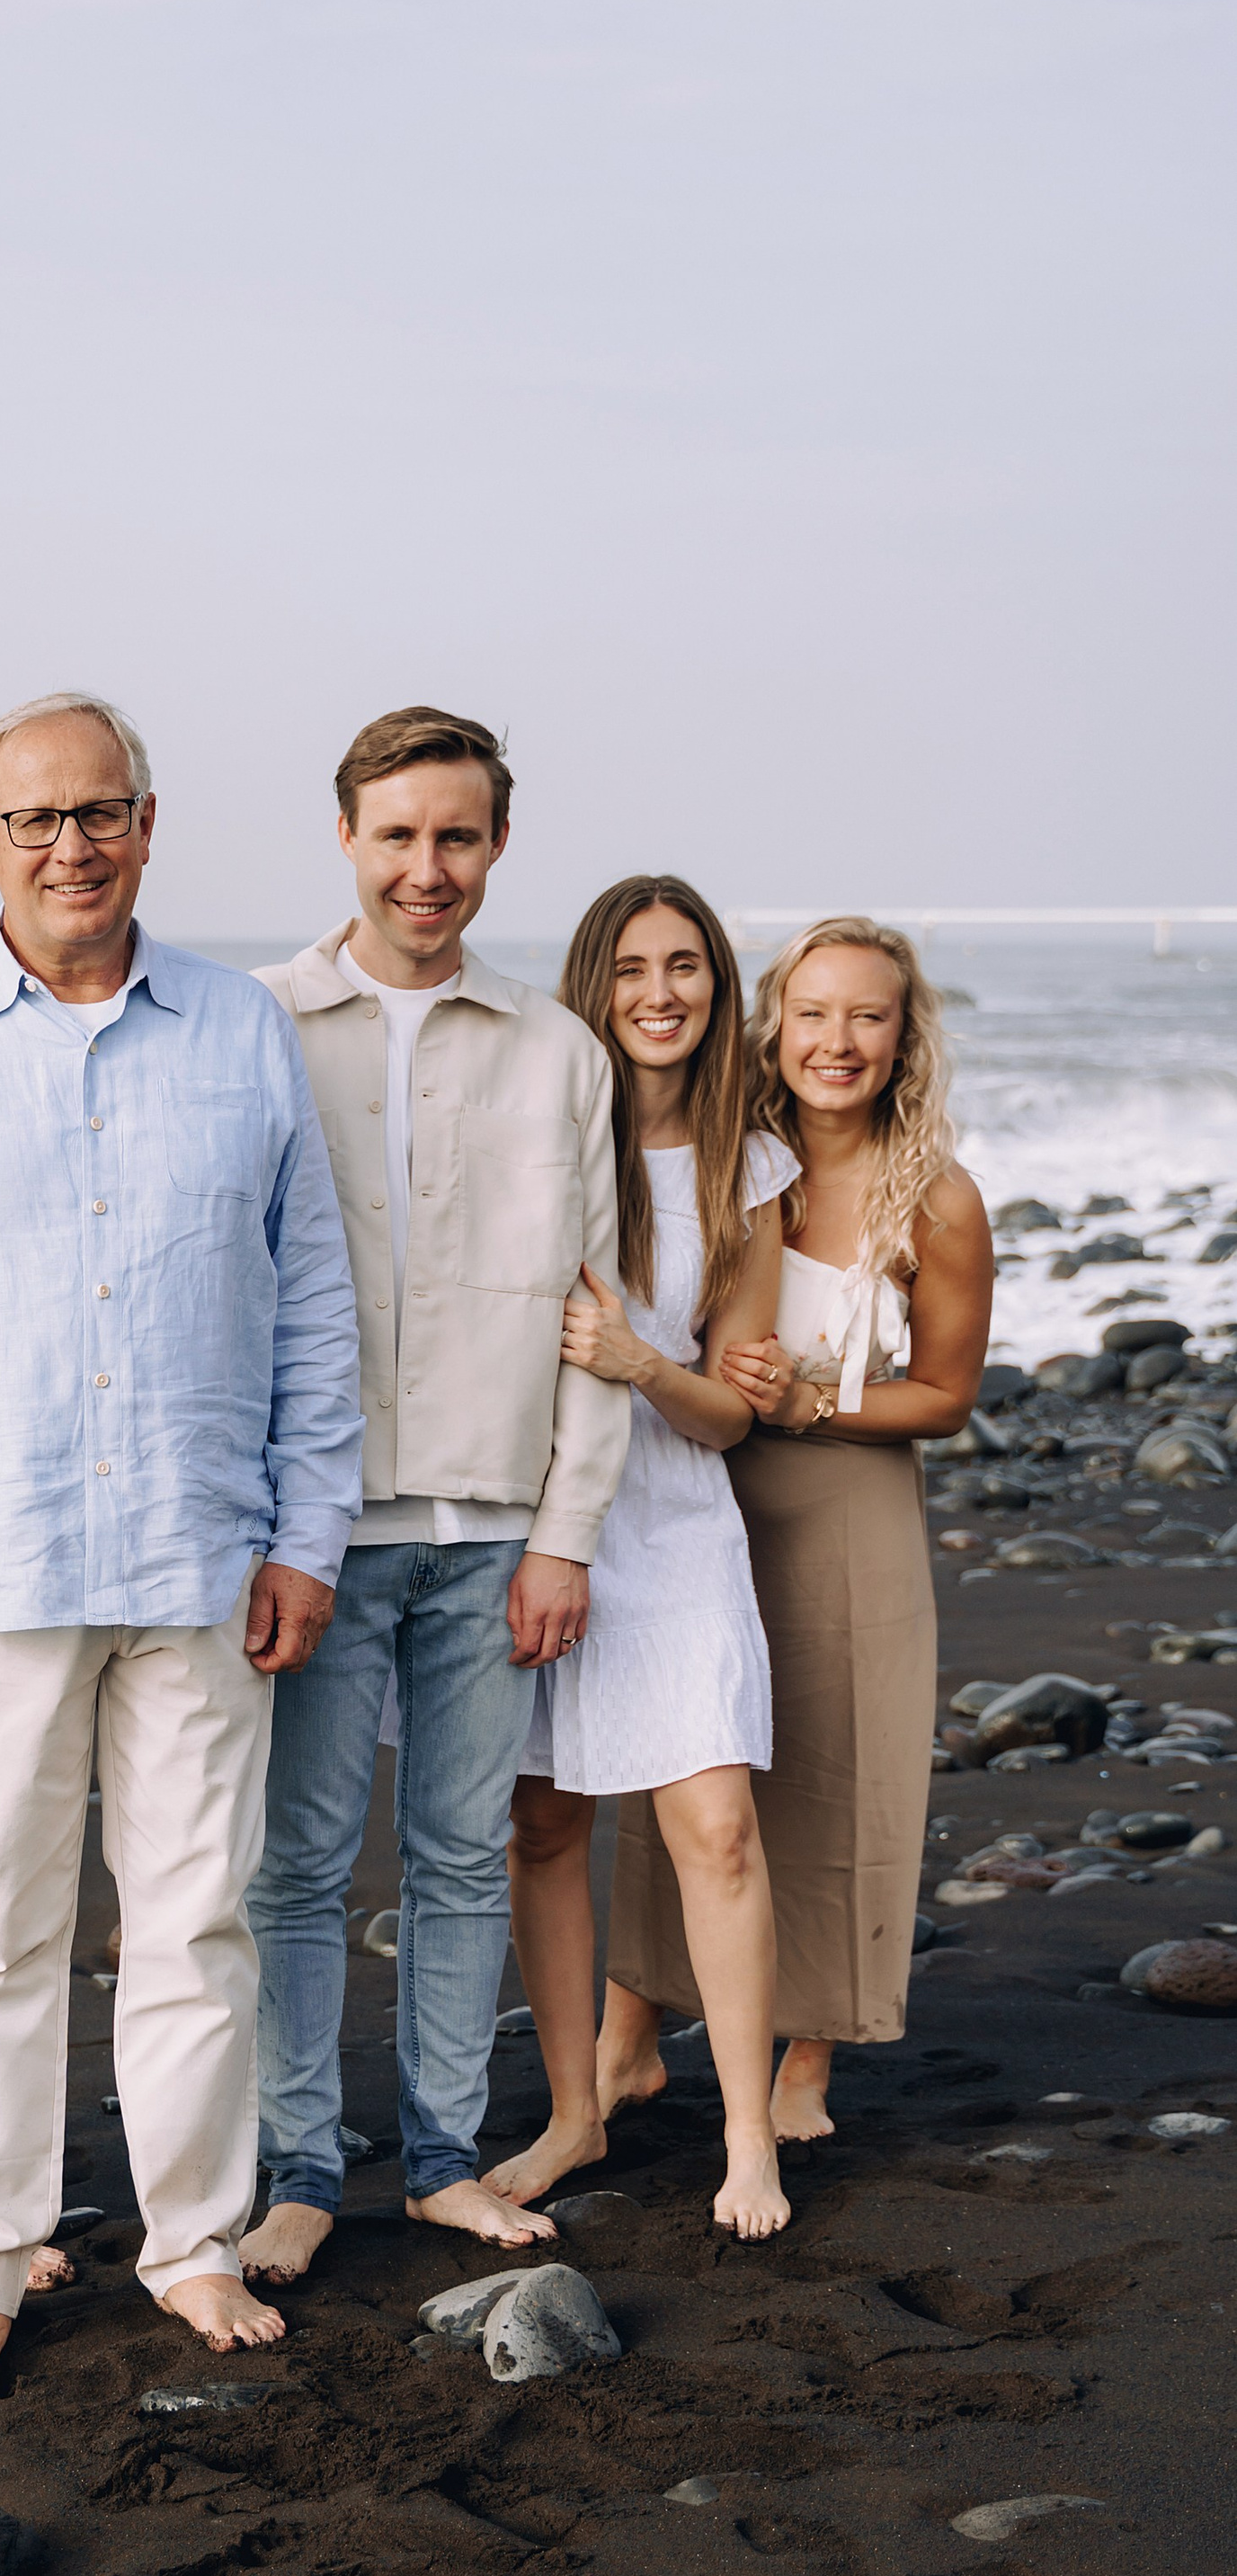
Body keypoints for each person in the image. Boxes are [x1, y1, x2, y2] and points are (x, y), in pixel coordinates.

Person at [0, 691, 364, 2401]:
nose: (69, 847)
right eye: (33, 821)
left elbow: (311, 1306)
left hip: (201, 1560)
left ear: (149, 823)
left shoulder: (241, 1029)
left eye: (98, 813)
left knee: (198, 1924)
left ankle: (187, 2242)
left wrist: (306, 1532)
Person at [242, 708, 630, 2291]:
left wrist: (566, 1534)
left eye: (456, 836)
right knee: (299, 1867)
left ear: (497, 846)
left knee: (469, 1854)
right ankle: (298, 2170)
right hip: (319, 1537)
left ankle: (451, 2161)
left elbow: (597, 1315)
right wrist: (265, 1527)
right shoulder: (255, 1022)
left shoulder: (556, 1050)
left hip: (493, 1540)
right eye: (397, 835)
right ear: (346, 836)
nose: (427, 867)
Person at [607, 916, 991, 2144]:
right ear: (777, 1022)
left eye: (866, 1017)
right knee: (677, 1761)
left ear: (902, 1036)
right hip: (696, 1495)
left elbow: (949, 1393)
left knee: (838, 1774)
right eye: (814, 1014)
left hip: (847, 1507)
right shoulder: (732, 1157)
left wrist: (817, 1399)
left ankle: (810, 2058)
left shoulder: (935, 1199)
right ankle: (628, 2040)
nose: (837, 1041)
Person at [485, 881, 793, 2240]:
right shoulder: (538, 1141)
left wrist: (637, 1361)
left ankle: (746, 2139)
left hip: (675, 1524)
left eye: (686, 968)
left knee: (714, 1829)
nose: (660, 993)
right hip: (541, 1524)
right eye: (630, 970)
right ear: (591, 989)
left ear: (719, 993)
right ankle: (574, 2113)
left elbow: (733, 1415)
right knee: (545, 1823)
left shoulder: (750, 1170)